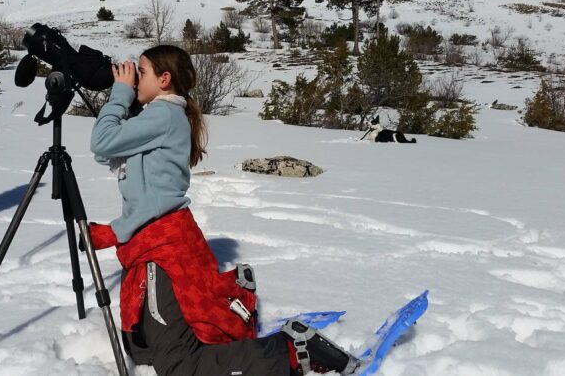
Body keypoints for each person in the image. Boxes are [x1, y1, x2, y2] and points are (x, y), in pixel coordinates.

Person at [87, 45, 361, 375]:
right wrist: (125, 105)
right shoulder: (158, 115)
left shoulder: (163, 115)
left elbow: (102, 143)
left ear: (164, 79)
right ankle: (234, 296)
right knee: (144, 348)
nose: (133, 79)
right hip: (157, 242)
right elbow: (111, 156)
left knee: (179, 366)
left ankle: (290, 350)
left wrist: (118, 94)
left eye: (140, 72)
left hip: (164, 249)